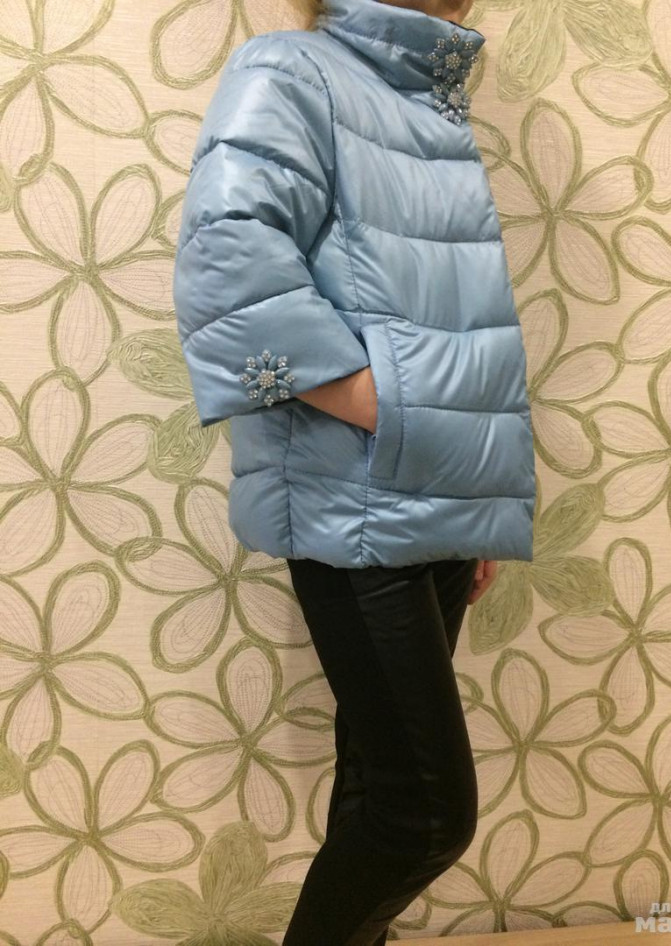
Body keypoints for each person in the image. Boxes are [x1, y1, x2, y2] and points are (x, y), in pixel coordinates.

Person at [173, 0, 536, 942]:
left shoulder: (426, 95)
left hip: (431, 495)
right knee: (425, 817)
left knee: (375, 793)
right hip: (355, 495)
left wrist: (466, 501)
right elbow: (229, 261)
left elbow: (436, 314)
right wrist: (402, 416)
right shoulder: (293, 70)